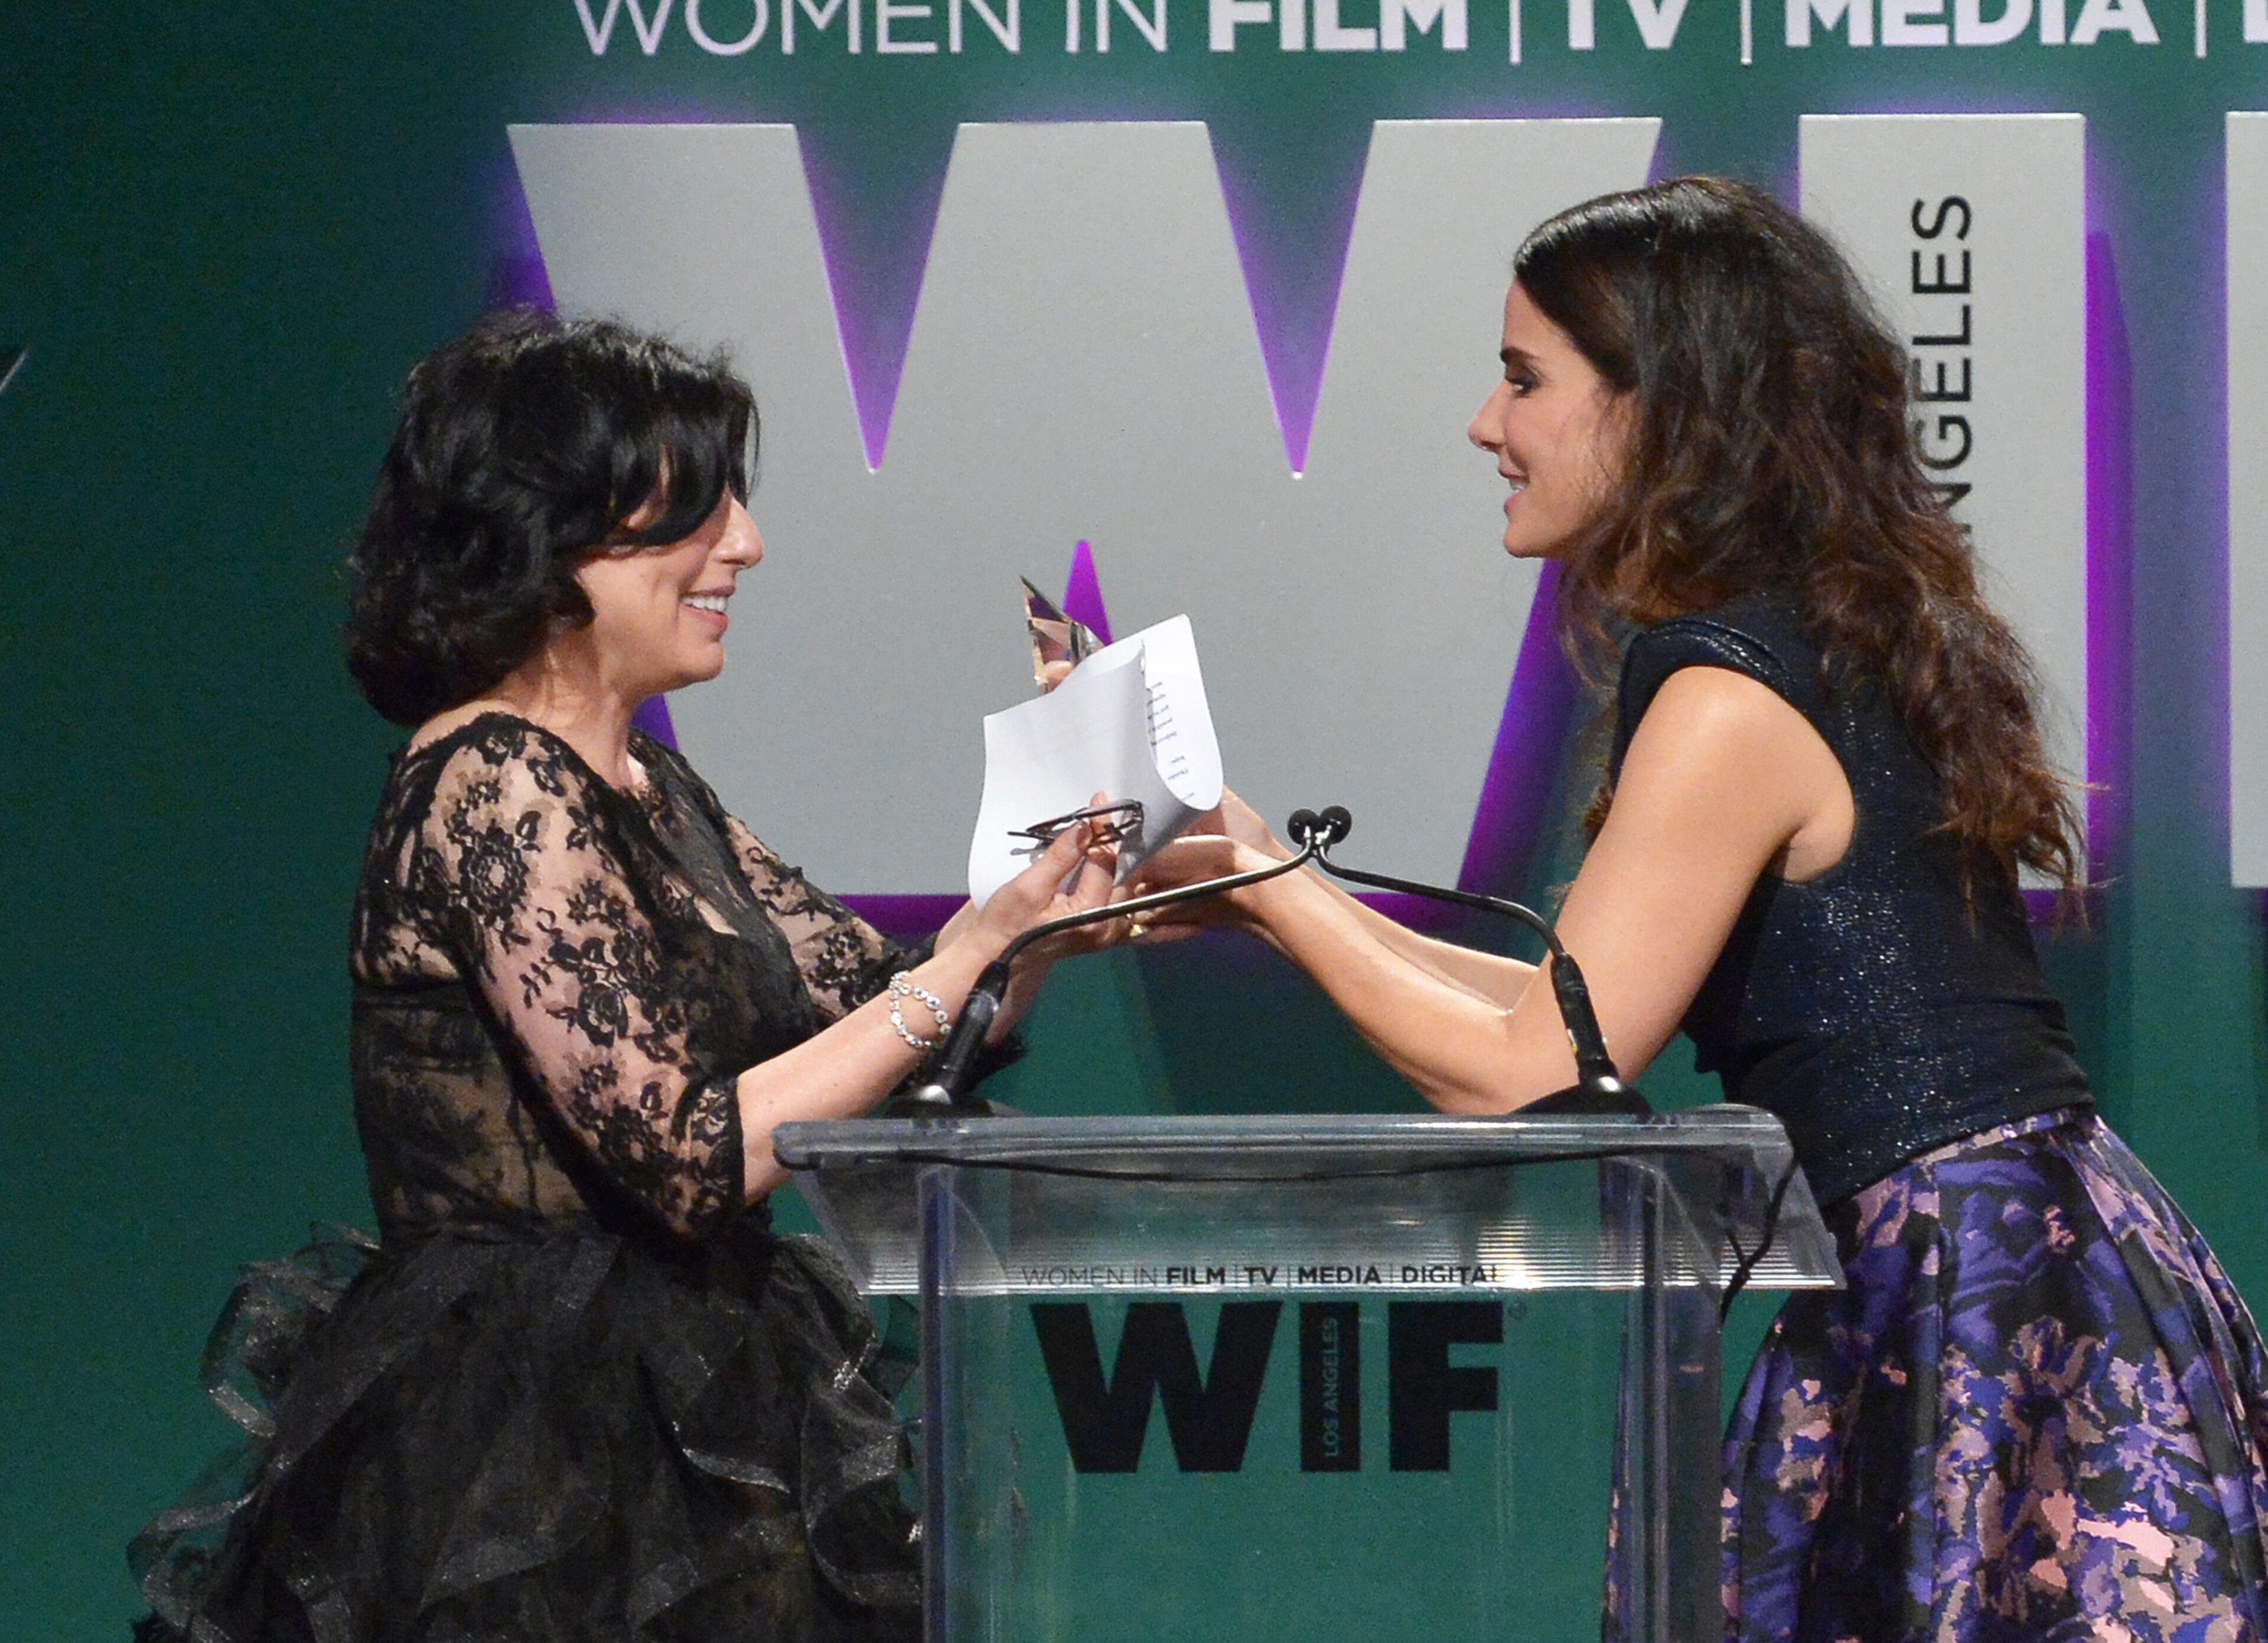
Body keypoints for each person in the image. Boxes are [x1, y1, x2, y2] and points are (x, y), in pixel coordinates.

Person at [1133, 178, 2268, 1639]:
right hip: (1989, 1258)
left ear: (1661, 409)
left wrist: (1269, 884)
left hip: (1967, 1285)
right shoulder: (1804, 634)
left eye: (1527, 380)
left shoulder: (1731, 688)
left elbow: (1532, 1065)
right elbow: (1555, 1009)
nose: (1489, 424)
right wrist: (1260, 883)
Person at [131, 311, 1116, 1642]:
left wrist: (1034, 919)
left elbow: (898, 1018)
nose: (746, 546)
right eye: (695, 513)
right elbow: (690, 1153)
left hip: (701, 1403)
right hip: (526, 1466)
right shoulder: (493, 780)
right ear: (552, 536)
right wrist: (970, 958)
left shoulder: (646, 782)